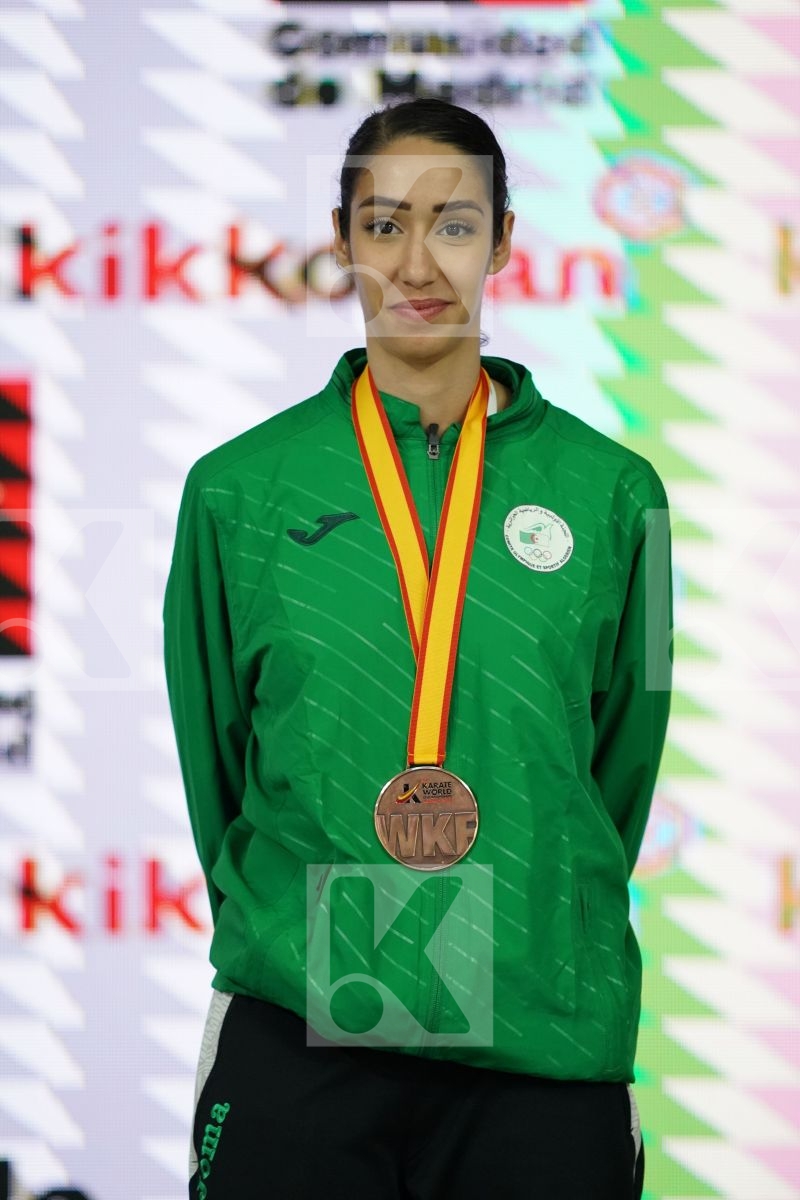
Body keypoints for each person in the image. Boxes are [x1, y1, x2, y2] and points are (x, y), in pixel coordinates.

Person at [164, 98, 672, 1200]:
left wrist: (535, 898)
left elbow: (618, 766)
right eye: (384, 224)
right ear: (340, 241)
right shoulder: (240, 492)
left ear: (500, 241)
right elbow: (218, 768)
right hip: (303, 1023)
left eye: (453, 224)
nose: (417, 261)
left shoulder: (613, 494)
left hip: (539, 1027)